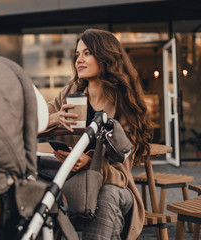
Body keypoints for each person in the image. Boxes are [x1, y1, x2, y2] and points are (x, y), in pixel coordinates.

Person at [46, 29, 153, 239]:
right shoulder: (69, 94)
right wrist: (53, 119)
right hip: (75, 184)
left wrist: (90, 163)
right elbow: (37, 119)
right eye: (77, 54)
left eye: (87, 53)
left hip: (116, 189)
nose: (79, 60)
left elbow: (121, 176)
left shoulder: (123, 104)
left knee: (106, 195)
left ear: (105, 57)